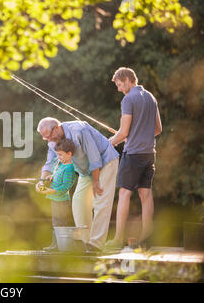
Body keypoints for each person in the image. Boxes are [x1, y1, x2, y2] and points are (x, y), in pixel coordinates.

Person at [36, 117, 119, 251]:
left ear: (56, 127)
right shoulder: (52, 142)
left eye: (49, 136)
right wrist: (42, 180)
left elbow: (94, 157)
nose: (49, 140)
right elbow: (50, 162)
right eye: (45, 138)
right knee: (79, 201)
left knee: (101, 201)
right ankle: (86, 242)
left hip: (105, 161)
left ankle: (95, 244)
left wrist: (96, 181)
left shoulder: (80, 130)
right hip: (86, 170)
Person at [105, 67, 162, 250]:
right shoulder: (151, 97)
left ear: (128, 79)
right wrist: (139, 135)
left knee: (124, 193)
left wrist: (109, 143)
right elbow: (158, 129)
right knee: (146, 194)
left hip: (134, 154)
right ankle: (147, 239)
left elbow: (122, 133)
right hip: (149, 153)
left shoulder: (128, 99)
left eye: (120, 85)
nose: (120, 89)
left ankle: (118, 239)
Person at [37, 138, 76, 251]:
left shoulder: (69, 168)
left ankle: (61, 246)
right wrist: (50, 177)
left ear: (69, 154)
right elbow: (56, 176)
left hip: (61, 201)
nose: (58, 157)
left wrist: (51, 191)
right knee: (56, 222)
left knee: (60, 223)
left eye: (60, 155)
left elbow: (65, 187)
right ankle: (56, 245)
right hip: (55, 200)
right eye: (57, 155)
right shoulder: (61, 165)